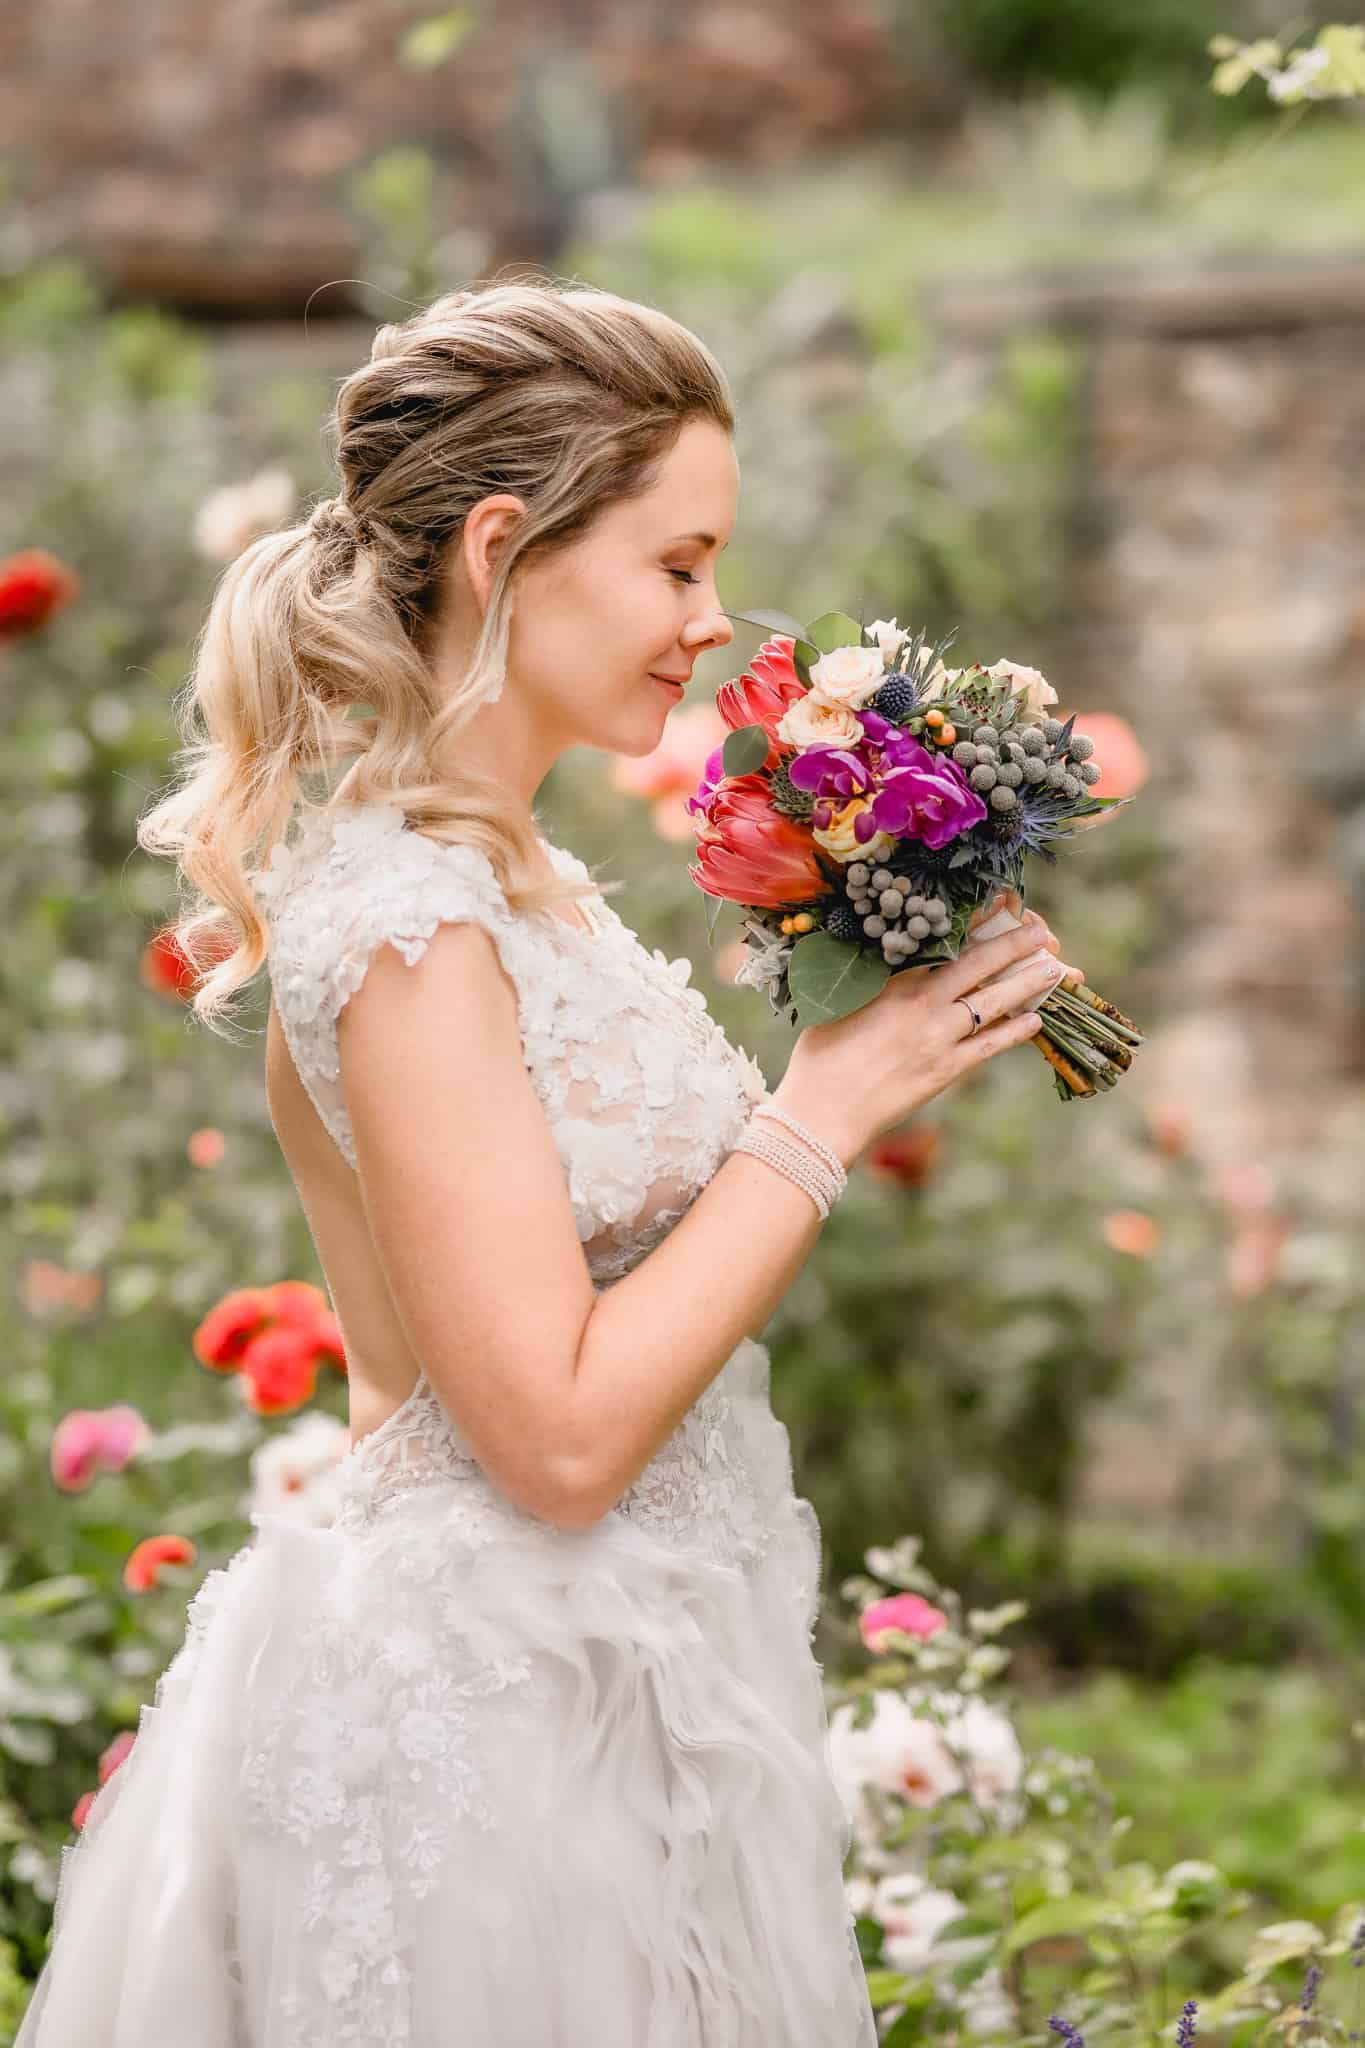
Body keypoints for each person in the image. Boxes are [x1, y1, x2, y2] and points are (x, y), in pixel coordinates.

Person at [17, 276, 1073, 2047]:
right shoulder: (407, 927)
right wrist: (819, 1110)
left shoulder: (519, 888)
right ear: (503, 546)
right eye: (676, 564)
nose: (713, 620)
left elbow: (432, 1374)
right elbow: (557, 1440)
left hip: (604, 1700)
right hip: (489, 1744)